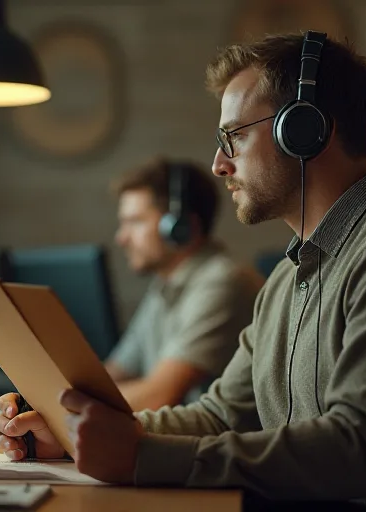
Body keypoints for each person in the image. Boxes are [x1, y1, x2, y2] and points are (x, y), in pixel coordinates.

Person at [0, 31, 366, 507]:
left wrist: (141, 455)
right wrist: (74, 433)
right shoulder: (288, 278)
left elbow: (359, 450)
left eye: (234, 135)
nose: (218, 163)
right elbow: (216, 417)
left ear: (304, 130)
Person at [104, 157, 263, 411]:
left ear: (180, 227)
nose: (121, 238)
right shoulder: (165, 284)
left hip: (218, 447)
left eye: (135, 222)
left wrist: (67, 407)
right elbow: (112, 375)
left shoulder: (223, 282)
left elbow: (156, 397)